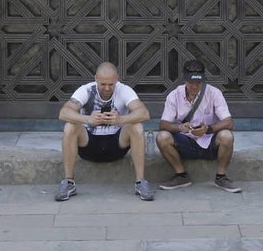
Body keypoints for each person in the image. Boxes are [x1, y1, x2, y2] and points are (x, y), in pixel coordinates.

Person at [55, 62, 154, 202]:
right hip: (88, 143)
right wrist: (88, 119)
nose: (107, 88)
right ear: (96, 78)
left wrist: (120, 119)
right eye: (103, 84)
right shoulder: (86, 90)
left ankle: (141, 182)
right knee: (70, 126)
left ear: (117, 79)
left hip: (116, 144)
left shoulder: (124, 90)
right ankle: (68, 182)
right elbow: (63, 113)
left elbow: (144, 113)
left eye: (111, 84)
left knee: (136, 126)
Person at [156, 59, 240, 193]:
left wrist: (209, 129)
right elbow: (163, 124)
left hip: (210, 142)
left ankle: (221, 177)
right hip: (185, 142)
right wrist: (179, 128)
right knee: (162, 137)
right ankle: (181, 175)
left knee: (227, 136)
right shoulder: (174, 95)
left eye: (198, 83)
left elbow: (229, 122)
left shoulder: (214, 93)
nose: (194, 86)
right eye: (191, 83)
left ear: (203, 81)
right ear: (185, 80)